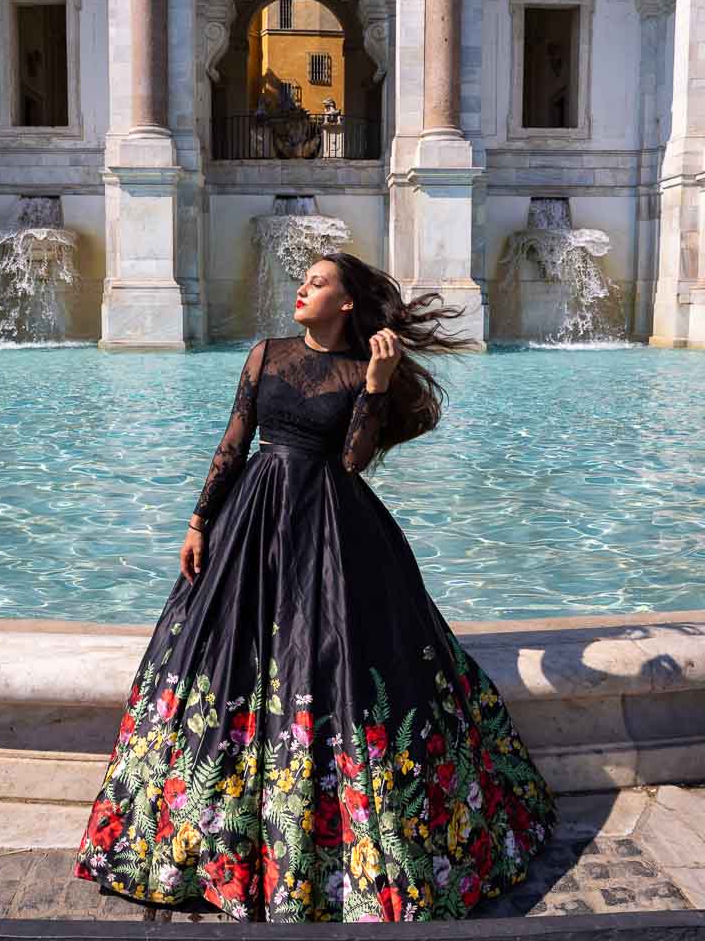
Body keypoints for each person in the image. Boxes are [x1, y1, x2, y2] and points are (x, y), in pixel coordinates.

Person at [73, 251, 559, 922]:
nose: (302, 286)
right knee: (223, 659)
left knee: (335, 658)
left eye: (319, 281)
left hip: (332, 527)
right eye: (302, 279)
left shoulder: (366, 370)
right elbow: (233, 442)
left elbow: (355, 461)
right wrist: (197, 521)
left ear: (347, 302)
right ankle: (204, 838)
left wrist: (379, 384)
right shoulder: (265, 355)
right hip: (253, 521)